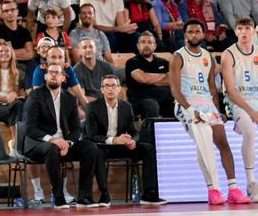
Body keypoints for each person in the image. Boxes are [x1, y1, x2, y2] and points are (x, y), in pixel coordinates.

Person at [172, 19, 251, 205]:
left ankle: (233, 189)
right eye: (190, 32)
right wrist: (191, 110)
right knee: (205, 140)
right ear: (185, 35)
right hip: (187, 105)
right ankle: (213, 189)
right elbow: (175, 89)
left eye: (197, 32)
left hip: (207, 104)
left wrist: (217, 110)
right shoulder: (178, 56)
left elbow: (212, 88)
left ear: (203, 34)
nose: (194, 35)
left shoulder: (208, 55)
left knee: (223, 143)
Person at [22, 64, 104, 207]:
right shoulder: (35, 96)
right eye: (50, 72)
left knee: (90, 148)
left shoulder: (70, 99)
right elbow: (30, 128)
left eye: (57, 73)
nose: (53, 75)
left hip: (63, 144)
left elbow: (77, 129)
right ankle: (58, 197)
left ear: (63, 78)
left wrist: (69, 143)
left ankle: (85, 197)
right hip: (37, 144)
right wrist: (53, 140)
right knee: (52, 148)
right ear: (45, 76)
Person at [86, 74, 165, 205]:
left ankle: (149, 194)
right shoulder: (92, 107)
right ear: (102, 89)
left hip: (122, 146)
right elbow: (91, 135)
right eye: (107, 86)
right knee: (97, 152)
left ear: (119, 89)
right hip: (103, 146)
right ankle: (104, 194)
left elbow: (134, 131)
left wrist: (133, 140)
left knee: (148, 149)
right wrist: (114, 140)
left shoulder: (126, 106)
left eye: (113, 86)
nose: (110, 89)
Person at [220, 16, 258, 200]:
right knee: (249, 132)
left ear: (254, 30)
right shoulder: (228, 54)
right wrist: (252, 112)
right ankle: (252, 183)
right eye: (240, 28)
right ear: (235, 31)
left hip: (256, 98)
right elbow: (231, 90)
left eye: (247, 28)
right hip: (236, 100)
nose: (244, 32)